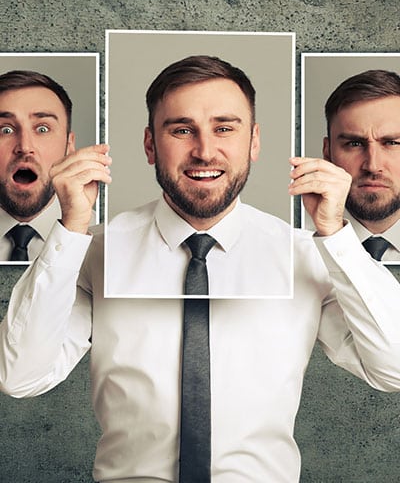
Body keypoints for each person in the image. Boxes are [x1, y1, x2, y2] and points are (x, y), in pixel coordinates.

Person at [1, 55, 400, 483]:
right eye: (182, 130)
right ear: (150, 144)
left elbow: (391, 368)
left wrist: (337, 236)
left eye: (224, 128)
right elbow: (21, 376)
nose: (205, 150)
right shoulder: (92, 251)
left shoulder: (306, 255)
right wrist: (70, 228)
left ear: (254, 142)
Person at [323, 69, 400, 261]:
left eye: (392, 143)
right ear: (327, 151)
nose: (373, 166)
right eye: (354, 144)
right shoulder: (290, 243)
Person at [0, 70, 76, 262]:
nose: (25, 147)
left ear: (69, 146)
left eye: (42, 129)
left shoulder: (100, 236)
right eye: (6, 130)